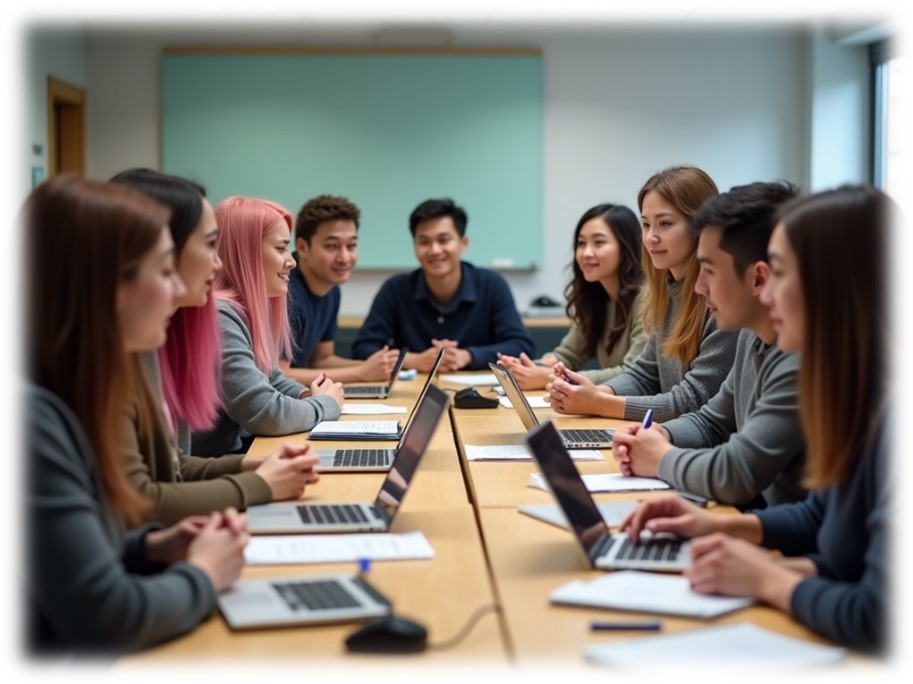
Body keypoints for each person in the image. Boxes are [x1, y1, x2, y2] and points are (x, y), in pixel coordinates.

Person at [620, 185, 890, 653]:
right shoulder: (855, 388)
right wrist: (721, 527)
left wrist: (769, 579)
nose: (767, 294)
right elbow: (826, 518)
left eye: (779, 274)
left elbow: (880, 613)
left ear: (836, 285)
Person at [26, 175, 247, 654]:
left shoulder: (66, 389)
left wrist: (146, 548)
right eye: (164, 271)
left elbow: (47, 562)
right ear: (106, 285)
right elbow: (105, 616)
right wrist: (205, 573)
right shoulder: (29, 420)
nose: (177, 293)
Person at [110, 169, 322, 526]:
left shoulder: (147, 338)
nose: (219, 262)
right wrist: (259, 483)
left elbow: (172, 463)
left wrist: (250, 466)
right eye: (209, 245)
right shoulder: (120, 351)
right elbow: (143, 496)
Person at [612, 181, 806, 509]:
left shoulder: (802, 359)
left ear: (759, 278)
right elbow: (712, 420)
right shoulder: (751, 335)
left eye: (710, 271)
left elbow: (738, 473)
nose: (699, 287)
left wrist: (660, 458)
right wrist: (662, 436)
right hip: (764, 521)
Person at [547, 166, 739, 421]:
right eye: (646, 225)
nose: (650, 237)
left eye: (664, 224)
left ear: (701, 226)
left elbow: (690, 401)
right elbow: (645, 375)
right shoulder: (663, 292)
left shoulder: (723, 302)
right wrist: (594, 392)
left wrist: (598, 402)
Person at [191, 196, 344, 456]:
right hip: (209, 469)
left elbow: (272, 379)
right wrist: (324, 405)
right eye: (281, 248)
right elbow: (266, 413)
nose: (291, 261)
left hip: (230, 459)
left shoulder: (247, 309)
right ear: (246, 253)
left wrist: (306, 395)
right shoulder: (219, 314)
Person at [351, 198, 535, 372]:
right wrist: (414, 360)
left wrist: (468, 356)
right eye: (424, 242)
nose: (434, 250)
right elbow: (363, 348)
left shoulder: (491, 284)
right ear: (414, 247)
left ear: (463, 243)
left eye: (443, 240)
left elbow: (521, 346)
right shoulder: (396, 289)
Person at [497, 203, 647, 389]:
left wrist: (551, 376)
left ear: (626, 248)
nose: (586, 253)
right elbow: (568, 355)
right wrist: (527, 367)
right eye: (581, 243)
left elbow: (634, 374)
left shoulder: (648, 299)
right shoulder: (597, 297)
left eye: (599, 243)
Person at [280, 193, 400, 385]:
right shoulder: (285, 292)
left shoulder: (332, 289)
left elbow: (321, 360)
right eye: (332, 246)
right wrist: (361, 372)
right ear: (302, 247)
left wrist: (374, 367)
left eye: (351, 245)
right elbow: (280, 375)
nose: (344, 257)